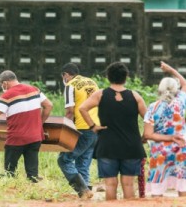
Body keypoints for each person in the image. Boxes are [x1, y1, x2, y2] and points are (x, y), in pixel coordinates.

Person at [79, 62, 147, 200]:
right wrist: (145, 136)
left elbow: (82, 108)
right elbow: (149, 119)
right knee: (128, 185)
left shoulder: (100, 95)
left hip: (107, 145)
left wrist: (93, 126)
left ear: (108, 77)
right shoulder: (135, 96)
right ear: (126, 77)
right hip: (132, 146)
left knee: (110, 185)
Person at [0, 70, 53, 182]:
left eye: (2, 84)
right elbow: (49, 105)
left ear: (5, 83)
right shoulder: (34, 90)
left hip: (16, 139)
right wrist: (39, 123)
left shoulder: (7, 95)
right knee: (32, 174)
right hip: (35, 137)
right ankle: (33, 193)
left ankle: (12, 193)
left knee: (10, 172)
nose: (2, 87)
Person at [143, 61, 186, 197]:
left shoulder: (153, 107)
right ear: (176, 89)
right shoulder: (180, 102)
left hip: (159, 152)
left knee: (157, 189)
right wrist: (170, 69)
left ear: (159, 89)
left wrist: (167, 137)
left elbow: (148, 134)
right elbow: (185, 83)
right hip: (181, 149)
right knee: (183, 188)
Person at [58, 62, 99, 199]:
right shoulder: (91, 82)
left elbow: (70, 112)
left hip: (81, 128)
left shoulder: (71, 85)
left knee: (64, 159)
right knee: (83, 161)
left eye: (63, 76)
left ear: (66, 75)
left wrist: (64, 131)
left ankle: (82, 190)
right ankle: (87, 190)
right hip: (95, 127)